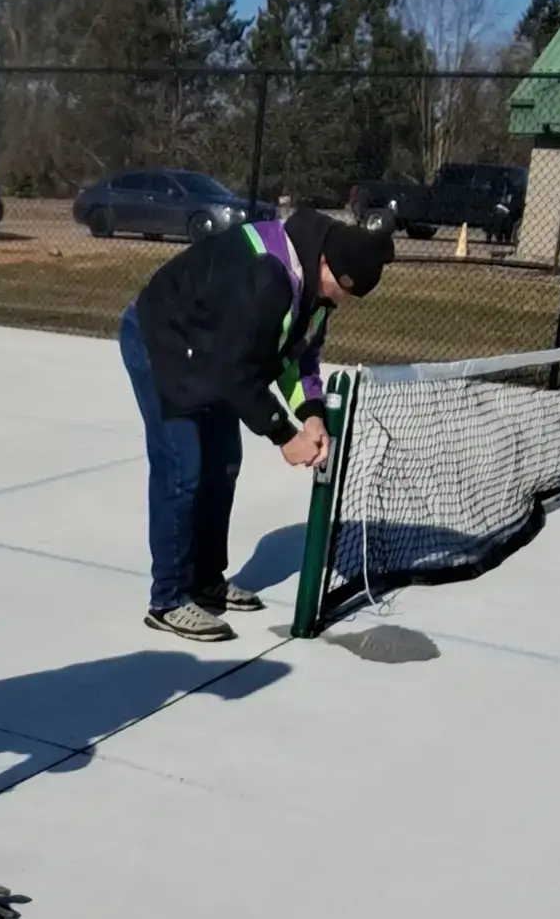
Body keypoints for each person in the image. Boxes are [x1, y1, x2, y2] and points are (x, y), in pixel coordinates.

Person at [120, 203, 386, 637]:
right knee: (182, 469)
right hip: (163, 341)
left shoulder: (315, 290)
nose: (338, 299)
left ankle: (206, 583)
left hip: (214, 349)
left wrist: (312, 415)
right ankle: (168, 598)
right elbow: (237, 373)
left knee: (223, 465)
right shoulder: (269, 276)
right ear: (324, 263)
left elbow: (299, 358)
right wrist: (284, 434)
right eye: (339, 288)